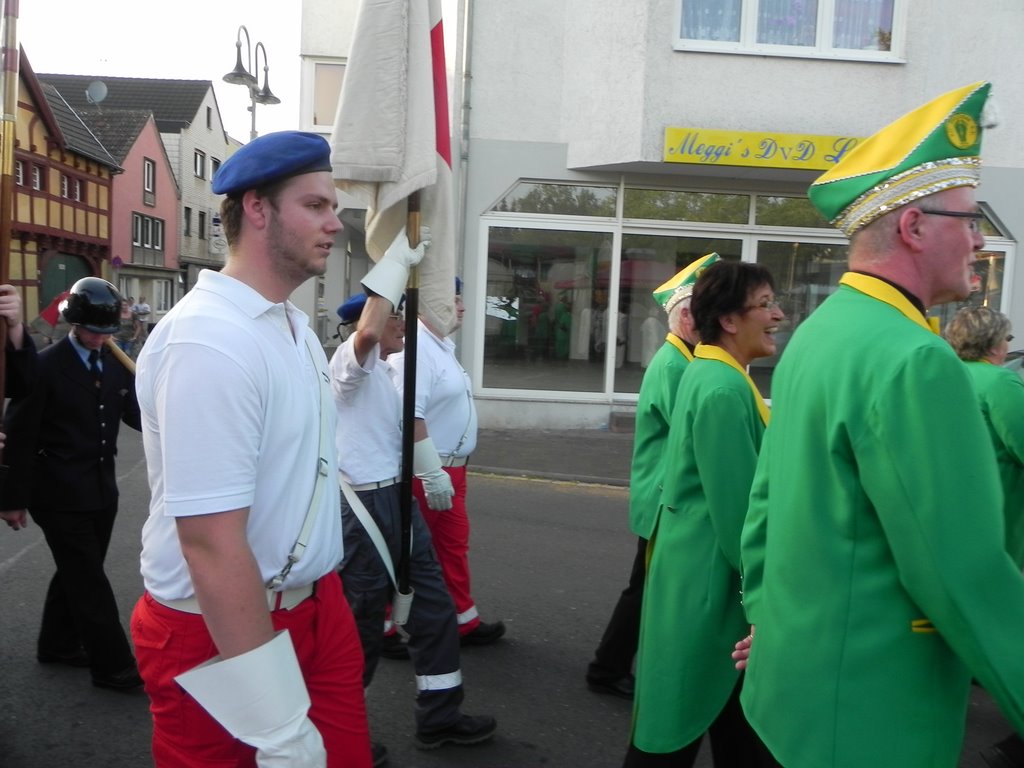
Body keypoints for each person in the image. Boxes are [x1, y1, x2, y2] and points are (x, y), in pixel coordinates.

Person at [736, 81, 1024, 768]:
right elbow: (963, 570)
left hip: (797, 689)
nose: (981, 239)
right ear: (914, 227)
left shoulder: (820, 331)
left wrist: (768, 619)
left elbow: (766, 508)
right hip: (874, 706)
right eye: (969, 218)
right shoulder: (918, 358)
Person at [131, 131, 372, 767]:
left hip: (318, 607)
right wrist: (278, 725)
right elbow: (209, 543)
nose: (334, 223)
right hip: (218, 629)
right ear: (257, 209)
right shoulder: (208, 340)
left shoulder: (294, 327)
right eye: (315, 205)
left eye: (332, 207)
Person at [330, 252, 497, 754]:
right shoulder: (349, 368)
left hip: (398, 499)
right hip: (364, 509)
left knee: (433, 608)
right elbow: (367, 332)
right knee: (362, 624)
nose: (403, 324)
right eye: (395, 316)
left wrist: (429, 472)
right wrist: (396, 263)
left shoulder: (386, 373)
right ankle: (342, 736)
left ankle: (440, 716)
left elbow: (405, 429)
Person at [625, 260, 782, 767]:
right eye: (765, 305)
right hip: (713, 587)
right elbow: (740, 519)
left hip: (702, 577)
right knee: (684, 723)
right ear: (729, 320)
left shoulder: (713, 372)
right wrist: (767, 605)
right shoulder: (721, 387)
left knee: (718, 721)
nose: (778, 315)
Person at [586, 253, 719, 700]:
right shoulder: (676, 364)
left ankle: (610, 666)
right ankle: (607, 668)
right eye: (706, 313)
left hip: (662, 495)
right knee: (644, 589)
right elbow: (693, 433)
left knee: (646, 587)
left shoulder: (681, 358)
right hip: (664, 497)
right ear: (686, 317)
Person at [0, 277, 143, 691]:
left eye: (106, 331)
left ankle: (58, 644)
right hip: (57, 492)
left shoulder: (116, 363)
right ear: (75, 324)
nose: (100, 339)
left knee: (79, 572)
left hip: (101, 490)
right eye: (93, 331)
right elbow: (18, 433)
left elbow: (135, 415)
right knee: (89, 582)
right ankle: (113, 666)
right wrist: (10, 498)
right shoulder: (45, 366)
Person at [389, 277, 506, 646]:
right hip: (428, 470)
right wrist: (431, 473)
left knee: (451, 546)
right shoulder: (417, 349)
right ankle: (382, 626)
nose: (462, 306)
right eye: (454, 299)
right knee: (406, 550)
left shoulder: (438, 346)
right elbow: (409, 414)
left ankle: (462, 619)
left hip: (451, 469)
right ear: (429, 304)